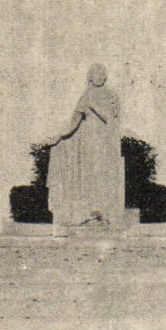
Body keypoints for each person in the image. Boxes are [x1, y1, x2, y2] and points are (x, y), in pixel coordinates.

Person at [47, 63, 124, 226]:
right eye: (96, 74)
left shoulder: (111, 95)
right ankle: (89, 211)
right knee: (87, 175)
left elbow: (110, 119)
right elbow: (75, 121)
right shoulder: (85, 95)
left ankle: (104, 211)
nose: (100, 77)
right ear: (90, 77)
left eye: (102, 74)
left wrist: (93, 105)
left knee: (102, 174)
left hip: (104, 140)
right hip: (87, 140)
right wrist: (60, 136)